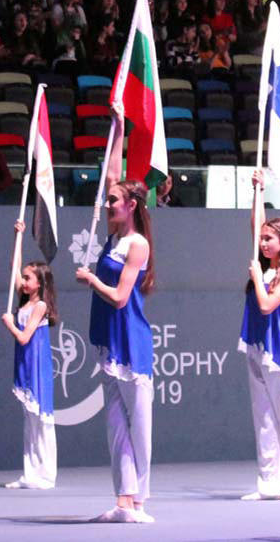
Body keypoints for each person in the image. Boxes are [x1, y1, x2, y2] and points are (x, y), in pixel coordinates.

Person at [75, 101, 157, 524]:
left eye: (113, 202)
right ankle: (122, 499)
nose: (107, 204)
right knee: (115, 426)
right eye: (107, 200)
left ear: (130, 206)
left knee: (138, 425)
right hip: (109, 338)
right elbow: (111, 173)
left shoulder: (136, 244)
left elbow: (122, 297)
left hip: (132, 340)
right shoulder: (111, 237)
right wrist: (118, 126)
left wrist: (91, 281)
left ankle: (141, 501)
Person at [239, 169, 280, 501]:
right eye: (262, 239)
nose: (262, 243)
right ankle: (268, 482)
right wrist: (258, 190)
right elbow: (256, 223)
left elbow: (266, 306)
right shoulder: (264, 266)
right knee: (263, 418)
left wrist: (255, 276)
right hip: (256, 346)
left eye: (269, 239)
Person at [1, 243, 59, 490]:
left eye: (28, 278)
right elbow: (14, 268)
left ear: (40, 282)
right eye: (24, 278)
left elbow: (24, 337)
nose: (23, 282)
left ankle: (45, 475)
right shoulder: (25, 302)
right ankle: (30, 474)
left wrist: (10, 324)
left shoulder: (40, 306)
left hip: (36, 363)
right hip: (25, 362)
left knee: (41, 419)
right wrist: (19, 238)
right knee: (29, 420)